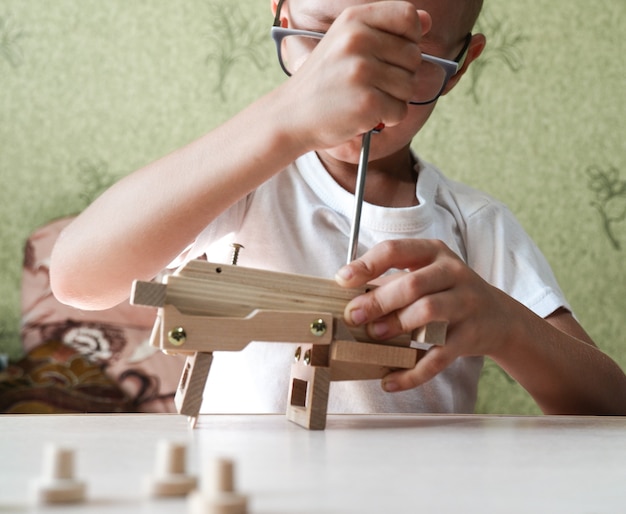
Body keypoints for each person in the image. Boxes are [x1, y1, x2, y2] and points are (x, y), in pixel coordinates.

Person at [50, 0, 626, 415]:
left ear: (460, 65)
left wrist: (506, 325)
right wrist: (286, 116)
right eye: (327, 39)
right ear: (281, 16)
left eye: (410, 58)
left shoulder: (473, 228)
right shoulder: (241, 185)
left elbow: (612, 407)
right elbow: (77, 277)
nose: (358, 80)